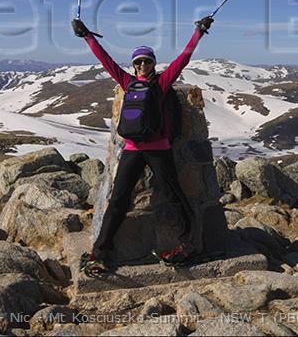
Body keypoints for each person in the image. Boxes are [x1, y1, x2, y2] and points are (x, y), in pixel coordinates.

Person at [72, 15, 213, 274]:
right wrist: (87, 37)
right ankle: (100, 253)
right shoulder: (127, 82)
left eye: (147, 61)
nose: (143, 65)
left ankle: (187, 244)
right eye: (138, 62)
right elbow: (106, 62)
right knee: (118, 200)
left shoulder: (162, 82)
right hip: (133, 149)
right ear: (134, 65)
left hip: (159, 149)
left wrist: (198, 32)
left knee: (173, 195)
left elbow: (183, 58)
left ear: (153, 64)